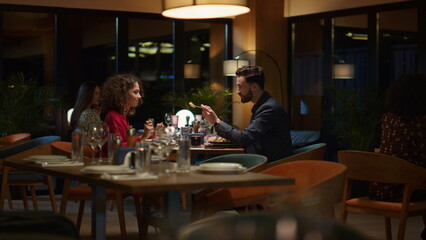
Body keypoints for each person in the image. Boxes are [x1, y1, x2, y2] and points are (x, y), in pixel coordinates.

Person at [201, 65, 292, 162]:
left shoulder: (270, 108)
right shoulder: (262, 106)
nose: (237, 91)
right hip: (258, 160)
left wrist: (217, 122)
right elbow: (247, 138)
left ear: (254, 86)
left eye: (240, 86)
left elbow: (244, 138)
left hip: (269, 165)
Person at [101, 73, 153, 147]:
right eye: (135, 92)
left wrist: (151, 135)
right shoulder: (113, 117)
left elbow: (128, 142)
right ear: (123, 94)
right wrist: (143, 137)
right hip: (109, 158)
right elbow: (118, 148)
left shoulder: (122, 116)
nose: (140, 96)